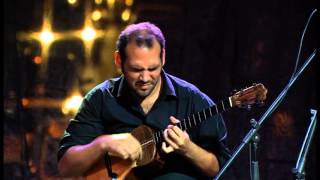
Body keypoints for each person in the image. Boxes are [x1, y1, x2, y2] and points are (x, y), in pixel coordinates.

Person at [57, 22, 230, 179]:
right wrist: (103, 144)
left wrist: (188, 149)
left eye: (153, 68)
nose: (145, 78)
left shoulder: (194, 100)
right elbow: (66, 167)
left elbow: (221, 170)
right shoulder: (101, 98)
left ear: (163, 58)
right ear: (119, 60)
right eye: (136, 69)